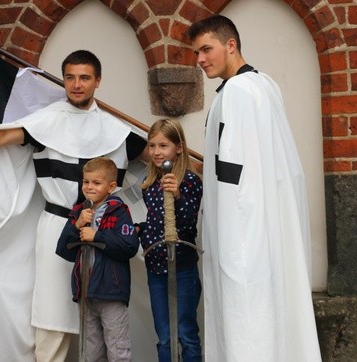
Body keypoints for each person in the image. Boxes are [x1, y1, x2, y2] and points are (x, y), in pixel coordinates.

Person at [0, 50, 147, 362]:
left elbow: (157, 157)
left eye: (84, 78)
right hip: (59, 229)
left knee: (106, 320)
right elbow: (5, 137)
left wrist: (174, 158)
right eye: (70, 77)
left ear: (98, 81)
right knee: (52, 320)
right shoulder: (46, 122)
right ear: (64, 80)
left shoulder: (118, 131)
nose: (77, 84)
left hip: (105, 231)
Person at [187, 15, 321, 361]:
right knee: (267, 314)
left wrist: (229, 242)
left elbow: (234, 174)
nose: (200, 59)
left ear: (231, 45)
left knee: (245, 315)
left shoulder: (236, 91)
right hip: (266, 223)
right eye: (197, 52)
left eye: (206, 49)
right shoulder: (264, 84)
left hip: (242, 232)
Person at [56, 157, 139, 361]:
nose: (89, 187)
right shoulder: (79, 212)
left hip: (111, 291)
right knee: (90, 351)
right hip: (85, 292)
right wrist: (76, 227)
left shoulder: (119, 212)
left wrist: (97, 236)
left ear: (111, 186)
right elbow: (64, 250)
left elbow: (129, 246)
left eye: (96, 182)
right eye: (86, 182)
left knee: (117, 348)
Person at [139, 119, 203, 362]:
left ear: (178, 147)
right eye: (152, 145)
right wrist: (141, 233)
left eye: (163, 145)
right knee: (164, 335)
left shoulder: (190, 180)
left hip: (183, 268)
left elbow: (187, 224)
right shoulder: (149, 183)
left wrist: (177, 195)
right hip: (156, 268)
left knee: (186, 333)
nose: (156, 152)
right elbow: (155, 222)